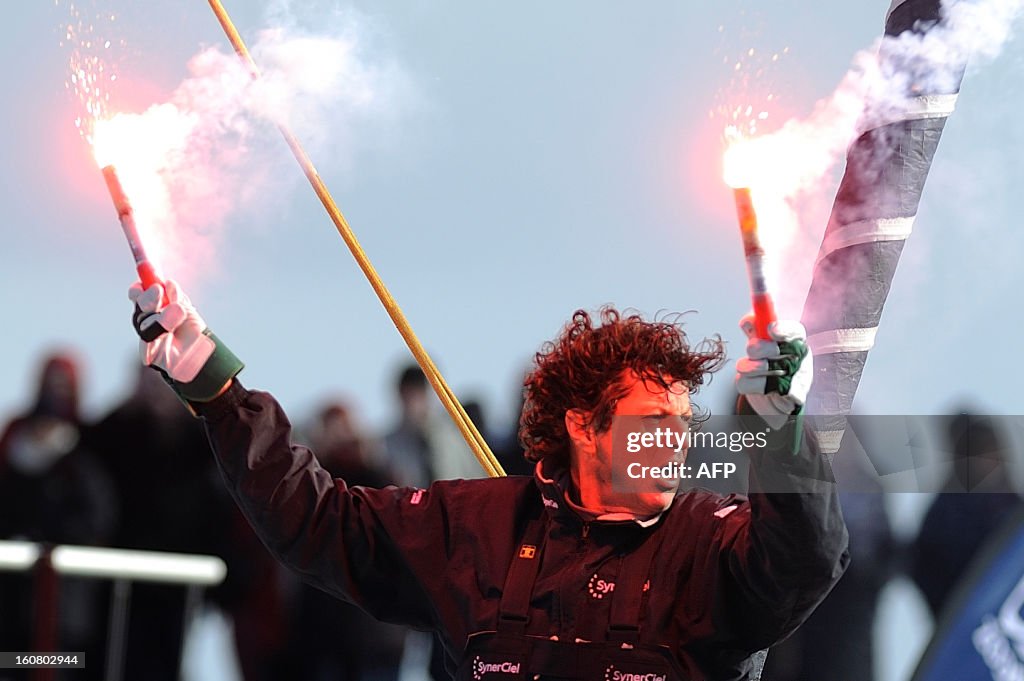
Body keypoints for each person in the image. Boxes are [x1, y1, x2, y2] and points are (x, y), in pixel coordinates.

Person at [126, 280, 849, 680]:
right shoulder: (475, 526)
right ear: (583, 424)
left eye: (684, 420)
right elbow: (318, 521)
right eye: (652, 417)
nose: (676, 437)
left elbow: (808, 556)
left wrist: (777, 427)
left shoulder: (711, 542)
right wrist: (220, 397)